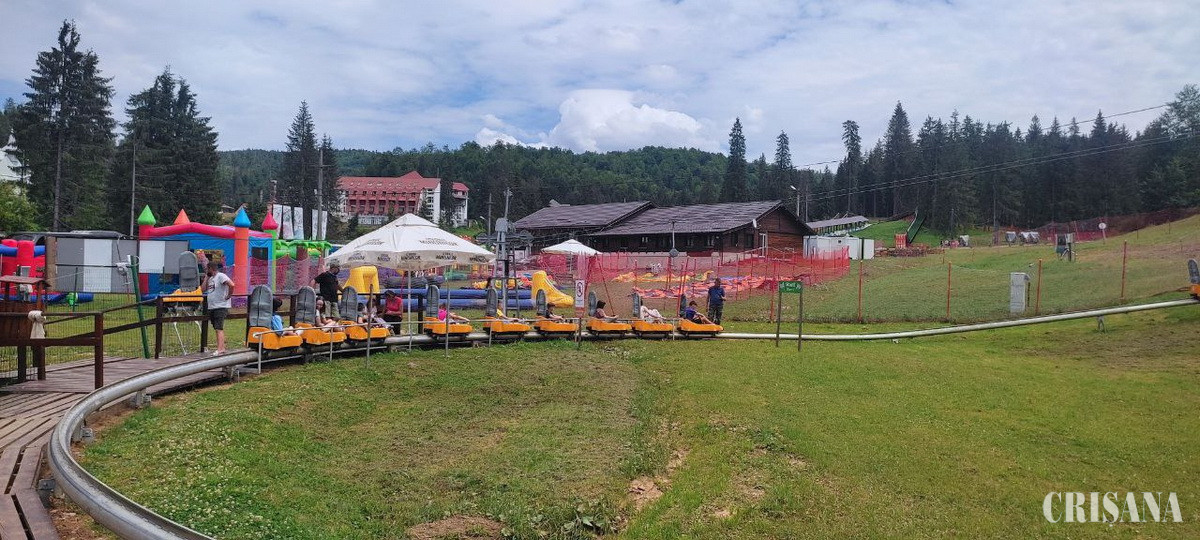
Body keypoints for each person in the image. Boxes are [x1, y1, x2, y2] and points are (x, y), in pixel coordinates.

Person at [204, 261, 234, 355]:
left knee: (219, 327)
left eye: (207, 269)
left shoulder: (221, 276)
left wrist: (229, 295)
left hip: (220, 306)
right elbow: (203, 289)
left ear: (210, 268)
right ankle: (221, 347)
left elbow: (231, 284)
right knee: (216, 328)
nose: (206, 271)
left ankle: (220, 349)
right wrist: (206, 277)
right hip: (212, 306)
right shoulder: (210, 279)